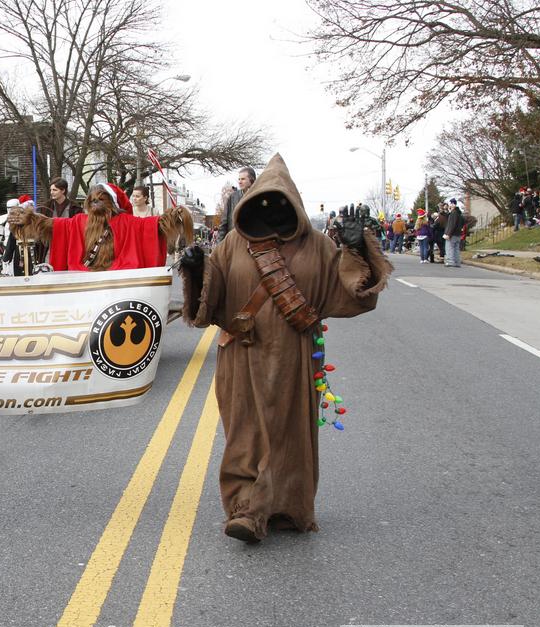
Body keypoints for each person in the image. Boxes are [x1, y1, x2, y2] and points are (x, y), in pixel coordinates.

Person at [176, 154, 392, 544]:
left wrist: (359, 252)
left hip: (295, 355)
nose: (271, 208)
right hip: (242, 354)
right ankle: (246, 508)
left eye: (280, 201)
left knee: (288, 432)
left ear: (294, 203)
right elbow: (211, 304)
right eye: (263, 201)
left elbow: (353, 294)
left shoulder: (319, 247)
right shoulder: (231, 246)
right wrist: (195, 269)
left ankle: (286, 505)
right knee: (245, 430)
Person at [12, 183, 192, 271]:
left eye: (102, 197)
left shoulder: (127, 222)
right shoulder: (79, 221)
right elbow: (49, 225)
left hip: (117, 282)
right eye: (94, 198)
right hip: (88, 281)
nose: (96, 200)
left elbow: (154, 225)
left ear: (112, 202)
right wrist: (28, 218)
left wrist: (175, 215)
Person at [220, 167, 256, 239]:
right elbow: (224, 224)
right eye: (239, 179)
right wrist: (218, 246)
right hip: (234, 241)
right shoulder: (232, 197)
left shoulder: (259, 196)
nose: (239, 182)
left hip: (253, 242)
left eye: (243, 179)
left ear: (252, 180)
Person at [444, 198, 463, 267]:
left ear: (452, 204)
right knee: (456, 249)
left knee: (449, 248)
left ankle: (450, 262)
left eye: (450, 204)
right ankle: (457, 262)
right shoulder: (459, 213)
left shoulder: (453, 213)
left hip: (452, 234)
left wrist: (448, 234)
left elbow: (452, 224)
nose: (449, 206)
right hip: (458, 234)